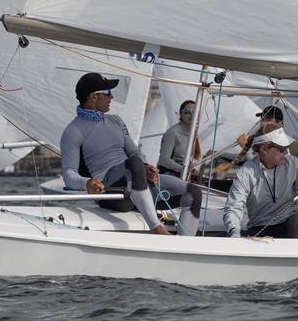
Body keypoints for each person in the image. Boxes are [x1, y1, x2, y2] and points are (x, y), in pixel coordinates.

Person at [61, 72, 203, 236]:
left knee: (193, 192)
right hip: (110, 192)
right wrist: (87, 183)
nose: (111, 97)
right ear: (93, 96)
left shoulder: (116, 121)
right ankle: (157, 229)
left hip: (135, 181)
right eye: (107, 93)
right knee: (134, 164)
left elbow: (134, 151)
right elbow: (68, 174)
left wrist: (147, 169)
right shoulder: (73, 131)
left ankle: (184, 247)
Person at [223, 125, 298, 239]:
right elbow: (233, 207)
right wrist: (234, 232)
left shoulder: (293, 164)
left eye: (287, 148)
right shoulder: (245, 172)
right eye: (282, 149)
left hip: (291, 223)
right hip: (260, 228)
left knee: (295, 222)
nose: (286, 153)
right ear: (264, 149)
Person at [158, 100, 202, 177]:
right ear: (180, 114)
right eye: (187, 111)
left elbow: (192, 158)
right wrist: (183, 169)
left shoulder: (193, 133)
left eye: (194, 112)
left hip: (184, 174)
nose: (191, 114)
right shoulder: (173, 132)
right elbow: (163, 160)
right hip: (169, 174)